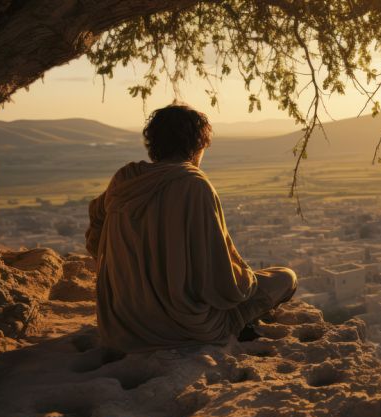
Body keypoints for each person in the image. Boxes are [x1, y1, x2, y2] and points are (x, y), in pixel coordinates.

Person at [85, 103, 296, 352]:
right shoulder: (194, 185)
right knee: (285, 278)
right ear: (198, 145)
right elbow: (223, 285)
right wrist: (246, 279)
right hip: (180, 330)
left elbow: (95, 233)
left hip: (119, 326)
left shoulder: (126, 178)